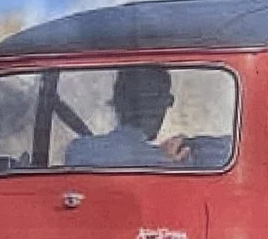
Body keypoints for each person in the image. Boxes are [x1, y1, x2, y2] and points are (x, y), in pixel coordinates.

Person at [63, 64, 196, 167]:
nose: (167, 107)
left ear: (117, 101)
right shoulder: (165, 164)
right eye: (166, 100)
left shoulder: (79, 149)